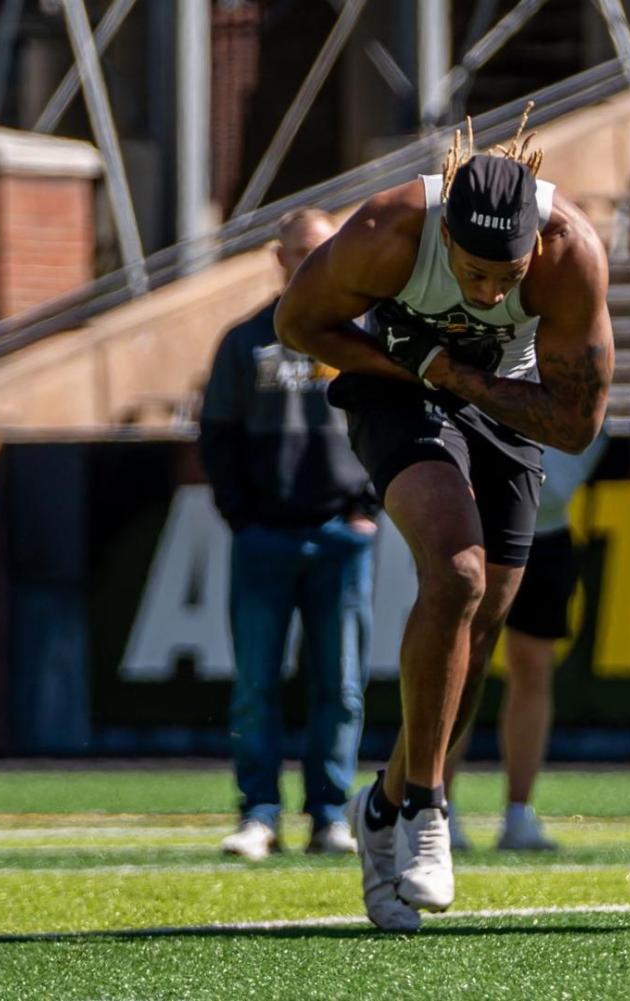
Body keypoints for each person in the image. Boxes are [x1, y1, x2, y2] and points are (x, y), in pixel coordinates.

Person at [275, 120, 613, 931]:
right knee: (456, 571)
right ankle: (429, 805)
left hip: (500, 397)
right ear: (442, 238)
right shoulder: (388, 230)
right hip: (395, 386)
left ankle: (382, 806)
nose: (492, 293)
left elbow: (575, 425)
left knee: (485, 618)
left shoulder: (570, 253)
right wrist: (413, 368)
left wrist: (455, 369)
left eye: (507, 274)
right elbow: (298, 324)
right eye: (472, 273)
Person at [198, 207, 377, 861]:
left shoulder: (360, 334)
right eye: (298, 250)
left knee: (342, 682)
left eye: (321, 251)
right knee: (255, 682)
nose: (308, 261)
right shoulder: (245, 340)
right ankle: (259, 813)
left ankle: (330, 812)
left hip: (342, 533)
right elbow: (216, 435)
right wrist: (242, 515)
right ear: (278, 257)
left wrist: (368, 504)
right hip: (265, 536)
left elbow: (393, 419)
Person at [441, 432, 609, 853]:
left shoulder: (568, 369)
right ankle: (435, 807)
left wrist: (557, 483)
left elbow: (592, 421)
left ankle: (519, 814)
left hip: (546, 534)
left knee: (533, 672)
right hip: (472, 532)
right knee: (457, 667)